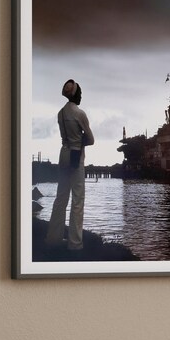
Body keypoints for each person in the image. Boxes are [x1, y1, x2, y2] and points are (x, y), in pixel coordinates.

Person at [45, 79, 95, 251]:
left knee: (61, 198)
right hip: (76, 155)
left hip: (63, 153)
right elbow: (91, 139)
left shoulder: (60, 113)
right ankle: (75, 244)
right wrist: (80, 140)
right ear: (76, 94)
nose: (81, 95)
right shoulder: (79, 113)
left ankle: (53, 238)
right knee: (77, 200)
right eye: (79, 92)